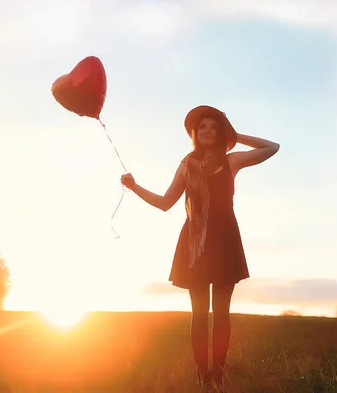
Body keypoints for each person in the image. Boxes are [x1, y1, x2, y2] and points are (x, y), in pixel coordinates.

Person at [120, 105, 280, 387]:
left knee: (221, 313)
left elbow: (272, 147)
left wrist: (236, 134)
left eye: (214, 127)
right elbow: (165, 203)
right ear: (195, 133)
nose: (207, 131)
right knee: (198, 313)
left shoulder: (231, 162)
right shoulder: (186, 165)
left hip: (225, 240)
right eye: (202, 127)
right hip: (194, 243)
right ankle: (202, 377)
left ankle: (218, 375)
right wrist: (134, 187)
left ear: (221, 134)